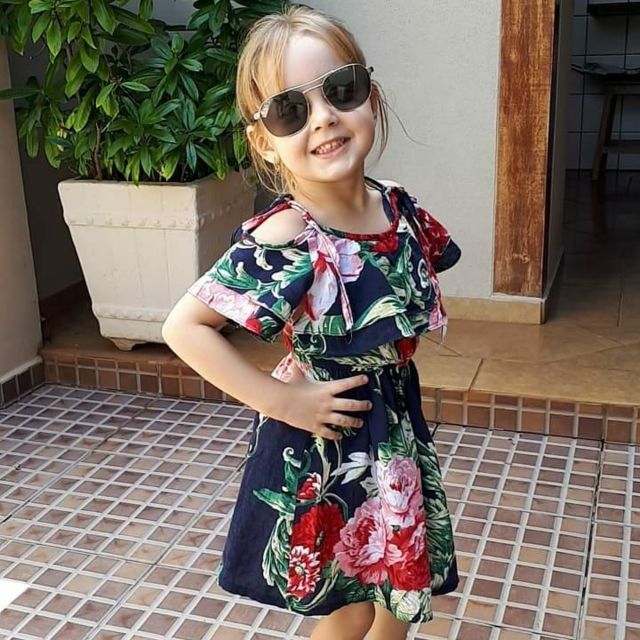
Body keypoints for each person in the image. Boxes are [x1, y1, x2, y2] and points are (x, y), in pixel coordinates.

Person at [162, 5, 461, 639]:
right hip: (325, 446)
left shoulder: (397, 207)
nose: (322, 117)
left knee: (395, 602)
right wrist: (282, 402)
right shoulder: (290, 234)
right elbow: (184, 327)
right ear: (263, 140)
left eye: (341, 90)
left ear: (371, 97)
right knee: (349, 608)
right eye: (289, 111)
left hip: (392, 436)